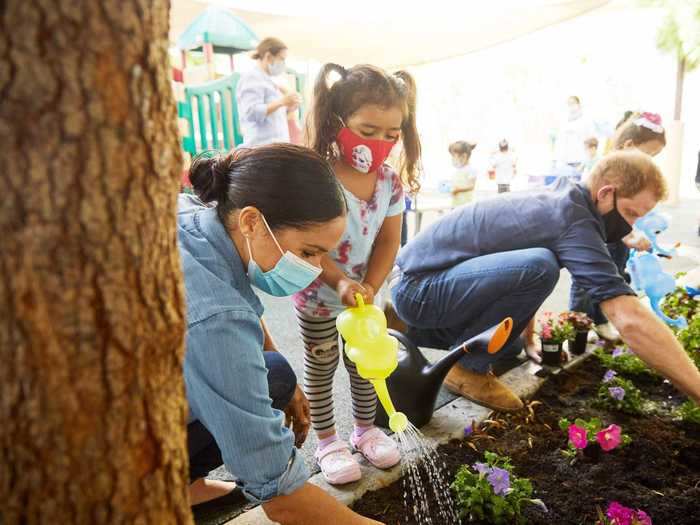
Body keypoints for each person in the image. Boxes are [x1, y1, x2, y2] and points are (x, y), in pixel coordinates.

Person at [391, 150, 700, 411]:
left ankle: (413, 327)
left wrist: (527, 339)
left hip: (429, 280)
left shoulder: (566, 198)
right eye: (631, 213)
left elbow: (511, 268)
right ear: (606, 193)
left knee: (509, 345)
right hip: (420, 288)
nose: (630, 226)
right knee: (541, 267)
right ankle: (466, 370)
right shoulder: (574, 220)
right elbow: (628, 318)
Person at [179, 144, 381, 524]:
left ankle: (181, 482)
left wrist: (286, 381)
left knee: (276, 375)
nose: (316, 268)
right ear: (252, 221)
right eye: (308, 252)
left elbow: (240, 316)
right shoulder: (216, 315)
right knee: (254, 397)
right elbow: (283, 499)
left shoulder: (198, 218)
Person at [293, 63, 421, 485]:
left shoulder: (389, 183)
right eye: (367, 130)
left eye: (391, 133)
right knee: (322, 365)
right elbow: (309, 244)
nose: (380, 144)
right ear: (336, 122)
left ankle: (366, 431)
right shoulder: (318, 177)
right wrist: (340, 281)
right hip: (318, 297)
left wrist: (369, 283)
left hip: (364, 301)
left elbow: (388, 241)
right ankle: (329, 441)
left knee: (369, 365)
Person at [570, 112, 665, 342]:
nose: (651, 160)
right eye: (649, 153)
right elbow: (603, 212)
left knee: (614, 274)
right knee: (587, 282)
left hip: (618, 240)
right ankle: (578, 324)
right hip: (598, 239)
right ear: (630, 145)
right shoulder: (606, 170)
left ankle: (600, 320)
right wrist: (629, 232)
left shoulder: (636, 174)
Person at [236, 37, 301, 147]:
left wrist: (290, 106)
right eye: (282, 59)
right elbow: (251, 112)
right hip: (260, 146)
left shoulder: (273, 79)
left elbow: (276, 114)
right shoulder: (251, 78)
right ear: (268, 57)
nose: (283, 63)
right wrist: (282, 102)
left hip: (278, 145)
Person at [555, 95, 596, 173]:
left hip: (581, 159)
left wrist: (588, 159)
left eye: (573, 103)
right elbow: (560, 142)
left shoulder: (586, 120)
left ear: (579, 104)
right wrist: (559, 159)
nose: (571, 106)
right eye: (569, 104)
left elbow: (592, 140)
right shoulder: (564, 122)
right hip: (566, 161)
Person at [449, 141, 477, 207]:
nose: (453, 159)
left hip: (465, 205)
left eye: (454, 156)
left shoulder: (471, 169)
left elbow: (471, 186)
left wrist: (458, 190)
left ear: (464, 156)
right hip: (455, 203)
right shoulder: (458, 169)